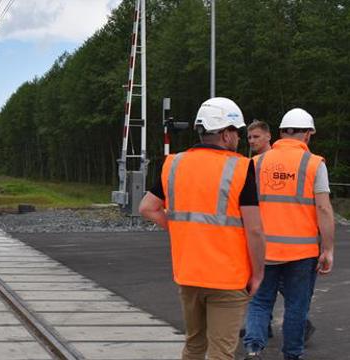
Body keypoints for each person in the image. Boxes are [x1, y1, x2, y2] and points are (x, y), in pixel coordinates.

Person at [139, 97, 266, 360]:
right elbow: (254, 230)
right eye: (237, 132)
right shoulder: (241, 167)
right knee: (221, 352)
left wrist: (179, 229)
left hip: (189, 273)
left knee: (194, 345)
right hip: (228, 278)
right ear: (226, 133)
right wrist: (258, 274)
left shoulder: (174, 164)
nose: (239, 138)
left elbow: (147, 208)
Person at [242, 108, 335, 360]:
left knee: (260, 302)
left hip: (263, 250)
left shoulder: (256, 163)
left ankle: (253, 349)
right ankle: (292, 354)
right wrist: (327, 249)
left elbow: (245, 207)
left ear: (281, 133)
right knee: (296, 306)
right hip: (301, 252)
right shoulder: (314, 164)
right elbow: (324, 209)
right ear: (307, 135)